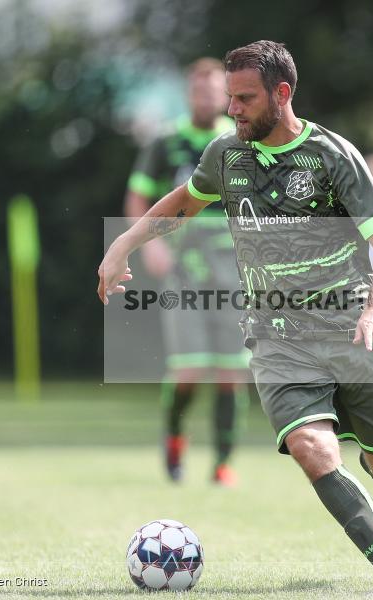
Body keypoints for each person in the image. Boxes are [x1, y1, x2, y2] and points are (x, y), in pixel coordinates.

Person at [100, 40, 373, 594]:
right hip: (277, 336)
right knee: (311, 447)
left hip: (350, 327)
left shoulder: (333, 156)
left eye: (245, 98)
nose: (233, 109)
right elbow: (182, 202)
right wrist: (123, 245)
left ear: (282, 93)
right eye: (230, 98)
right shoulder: (226, 155)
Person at [124, 58, 249, 487]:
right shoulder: (166, 141)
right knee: (190, 370)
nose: (208, 98)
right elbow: (136, 200)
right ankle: (175, 440)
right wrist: (151, 244)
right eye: (200, 91)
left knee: (233, 372)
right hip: (185, 270)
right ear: (189, 95)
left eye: (216, 92)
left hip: (233, 272)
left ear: (227, 97)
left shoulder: (239, 140)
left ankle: (224, 463)